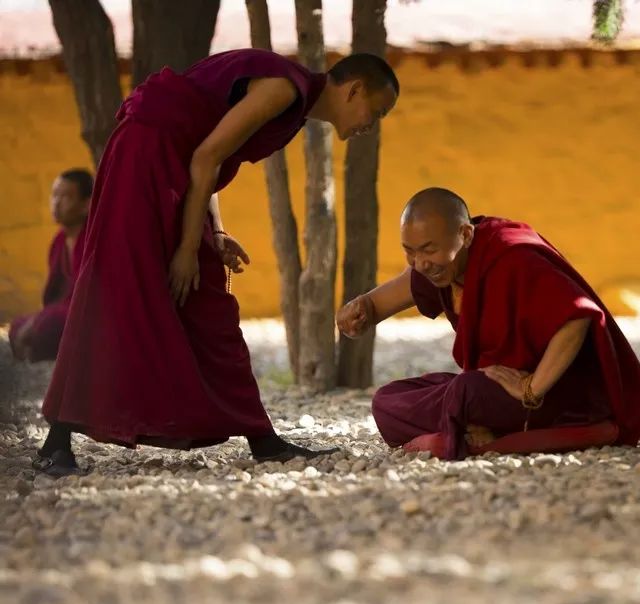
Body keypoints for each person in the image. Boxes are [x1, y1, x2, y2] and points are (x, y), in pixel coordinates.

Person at [36, 49, 399, 477]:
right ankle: (55, 442)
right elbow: (204, 157)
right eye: (375, 112)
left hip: (177, 167)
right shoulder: (284, 89)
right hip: (144, 158)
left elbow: (211, 153)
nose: (370, 125)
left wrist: (217, 233)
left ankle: (262, 437)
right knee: (116, 290)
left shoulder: (294, 104)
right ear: (354, 89)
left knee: (207, 293)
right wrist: (189, 248)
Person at [337, 188, 640, 461]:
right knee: (387, 400)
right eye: (410, 251)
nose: (420, 263)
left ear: (464, 234)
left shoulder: (512, 257)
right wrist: (367, 306)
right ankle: (476, 431)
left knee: (465, 392)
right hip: (496, 390)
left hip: (559, 396)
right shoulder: (446, 264)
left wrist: (531, 388)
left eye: (429, 250)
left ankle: (464, 438)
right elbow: (412, 282)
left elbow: (578, 317)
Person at [9, 169, 91, 362]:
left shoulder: (92, 238)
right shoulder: (60, 241)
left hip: (89, 314)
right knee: (17, 325)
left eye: (65, 197)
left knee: (47, 325)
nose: (56, 203)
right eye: (54, 195)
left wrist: (42, 319)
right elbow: (56, 295)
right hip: (64, 311)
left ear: (87, 205)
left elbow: (87, 297)